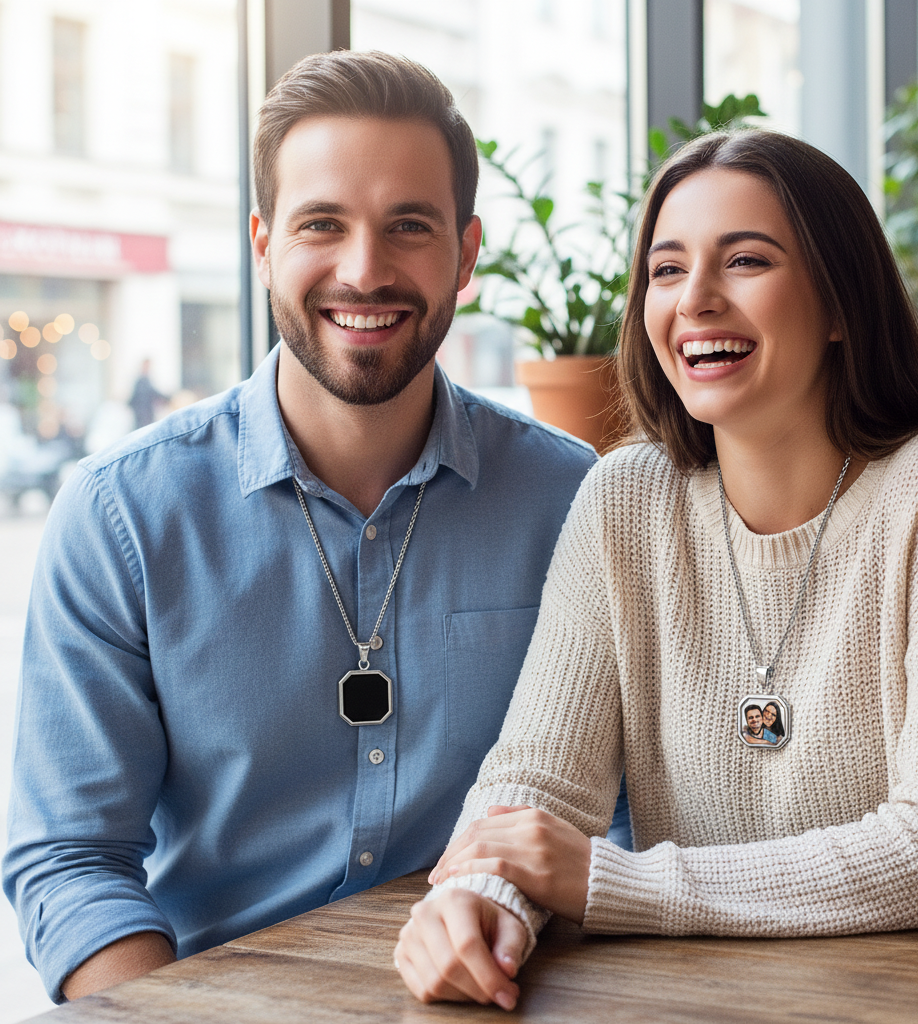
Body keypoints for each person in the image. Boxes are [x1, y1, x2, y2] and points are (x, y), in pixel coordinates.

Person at [2, 50, 623, 1004]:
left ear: (466, 252)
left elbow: (616, 822)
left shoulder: (570, 496)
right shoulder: (122, 514)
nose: (363, 270)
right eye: (321, 225)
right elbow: (74, 864)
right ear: (262, 244)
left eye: (408, 226)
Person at [394, 128, 918, 1011]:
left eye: (747, 261)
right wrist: (478, 901)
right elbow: (537, 781)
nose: (696, 300)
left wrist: (616, 886)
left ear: (841, 303)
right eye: (666, 269)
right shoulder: (625, 499)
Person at [127, 359, 167, 428]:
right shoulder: (141, 381)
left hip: (145, 413)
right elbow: (152, 392)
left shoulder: (146, 380)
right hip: (143, 413)